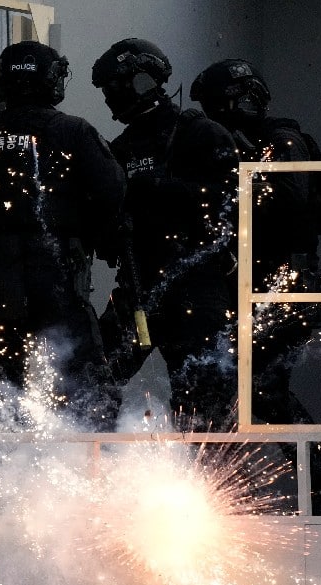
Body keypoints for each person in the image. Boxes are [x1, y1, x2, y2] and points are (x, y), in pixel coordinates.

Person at [190, 58, 321, 514]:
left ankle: (319, 485)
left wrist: (252, 171)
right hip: (253, 287)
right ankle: (229, 491)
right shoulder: (250, 143)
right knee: (238, 388)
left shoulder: (282, 141)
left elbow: (314, 210)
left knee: (263, 390)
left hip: (283, 288)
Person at [0, 40, 124, 429]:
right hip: (54, 276)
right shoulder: (73, 131)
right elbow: (111, 192)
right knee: (82, 382)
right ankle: (91, 473)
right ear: (51, 81)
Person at [90, 38, 240, 432]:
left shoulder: (201, 134)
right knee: (92, 382)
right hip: (138, 289)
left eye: (113, 90)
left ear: (141, 82)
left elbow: (232, 204)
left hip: (197, 287)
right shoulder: (118, 149)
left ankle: (208, 487)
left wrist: (156, 189)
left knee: (205, 402)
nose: (109, 101)